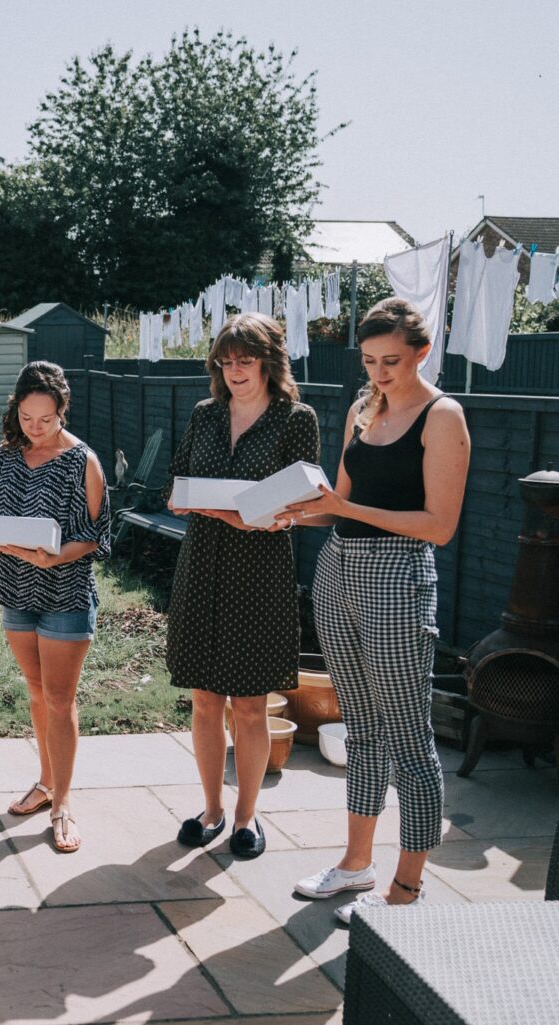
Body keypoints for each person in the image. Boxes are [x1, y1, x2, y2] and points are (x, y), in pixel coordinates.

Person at [284, 297, 470, 923]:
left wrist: (345, 509)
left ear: (421, 352)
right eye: (369, 361)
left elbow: (438, 526)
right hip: (337, 568)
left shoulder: (443, 416)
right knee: (360, 729)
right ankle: (355, 864)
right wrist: (285, 514)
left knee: (408, 739)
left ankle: (407, 889)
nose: (379, 372)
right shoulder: (364, 409)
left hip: (397, 576)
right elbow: (336, 502)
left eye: (391, 360)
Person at [164, 313, 320, 859]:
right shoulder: (205, 414)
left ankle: (247, 817)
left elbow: (302, 503)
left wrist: (261, 515)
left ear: (268, 362)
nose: (234, 370)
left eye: (245, 360)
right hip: (202, 566)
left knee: (250, 704)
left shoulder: (296, 419)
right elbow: (177, 482)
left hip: (259, 575)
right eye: (225, 361)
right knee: (205, 700)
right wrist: (195, 501)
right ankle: (211, 810)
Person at [0, 361, 110, 854]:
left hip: (65, 594)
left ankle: (63, 804)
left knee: (59, 698)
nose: (35, 428)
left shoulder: (83, 461)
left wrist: (56, 556)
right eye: (27, 418)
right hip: (16, 589)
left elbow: (96, 537)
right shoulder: (3, 457)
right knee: (36, 692)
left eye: (46, 420)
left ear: (62, 411)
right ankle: (46, 782)